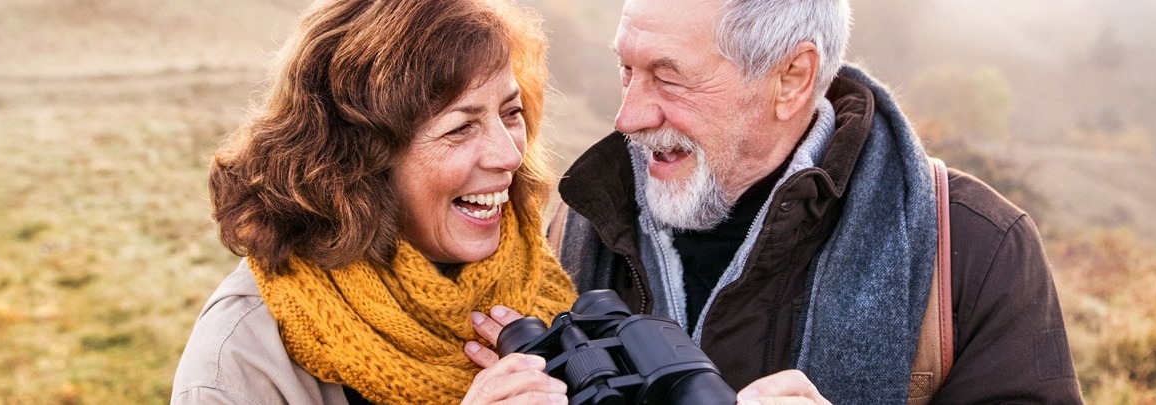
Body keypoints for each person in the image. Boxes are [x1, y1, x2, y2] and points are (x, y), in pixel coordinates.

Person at [463, 0, 1083, 403]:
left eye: (669, 76)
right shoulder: (577, 221)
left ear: (791, 79)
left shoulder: (974, 251)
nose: (627, 117)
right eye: (627, 70)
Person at [170, 0, 578, 403]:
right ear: (358, 160)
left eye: (511, 112)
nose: (508, 155)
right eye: (460, 128)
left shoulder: (545, 282)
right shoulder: (238, 365)